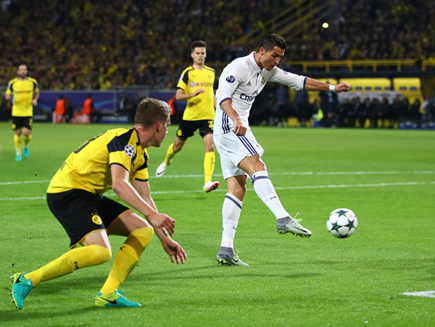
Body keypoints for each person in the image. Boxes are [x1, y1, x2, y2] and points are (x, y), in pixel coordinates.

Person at [10, 98, 187, 310]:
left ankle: (108, 293)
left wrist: (164, 238)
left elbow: (145, 197)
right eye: (167, 125)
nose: (168, 130)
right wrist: (151, 214)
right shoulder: (123, 140)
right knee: (100, 251)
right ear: (159, 125)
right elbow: (120, 185)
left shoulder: (140, 153)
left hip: (89, 194)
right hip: (67, 193)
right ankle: (27, 279)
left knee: (143, 230)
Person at [213, 33, 351, 266]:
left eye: (280, 57)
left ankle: (226, 249)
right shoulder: (238, 66)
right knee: (257, 165)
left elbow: (300, 81)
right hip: (230, 126)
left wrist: (332, 87)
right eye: (274, 56)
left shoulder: (268, 71)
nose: (277, 61)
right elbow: (222, 96)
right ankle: (282, 217)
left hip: (234, 129)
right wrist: (235, 118)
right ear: (261, 51)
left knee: (237, 188)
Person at [155, 40, 220, 193]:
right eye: (197, 53)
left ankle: (207, 182)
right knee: (177, 147)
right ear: (192, 55)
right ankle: (166, 161)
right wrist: (193, 93)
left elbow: (212, 95)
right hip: (190, 117)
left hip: (208, 116)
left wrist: (220, 109)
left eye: (203, 53)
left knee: (210, 146)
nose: (200, 56)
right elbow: (178, 95)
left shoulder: (211, 73)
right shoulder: (187, 73)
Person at [5, 64, 39, 161]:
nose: (23, 71)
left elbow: (36, 93)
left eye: (24, 70)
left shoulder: (32, 82)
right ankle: (18, 153)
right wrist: (7, 96)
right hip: (16, 111)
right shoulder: (13, 83)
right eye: (21, 70)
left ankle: (26, 146)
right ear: (18, 72)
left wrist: (35, 99)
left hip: (28, 111)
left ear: (27, 71)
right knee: (18, 132)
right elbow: (8, 92)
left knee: (26, 133)